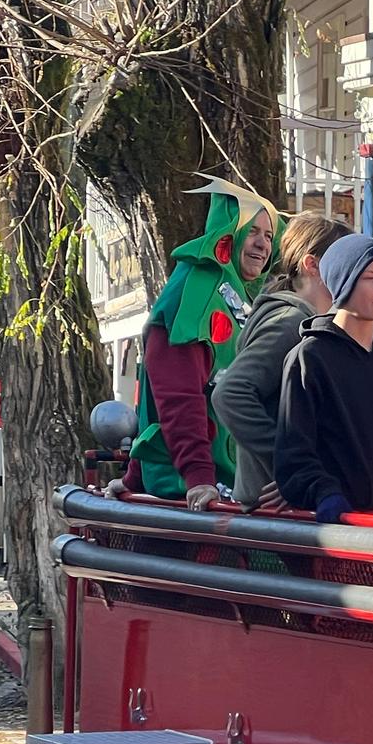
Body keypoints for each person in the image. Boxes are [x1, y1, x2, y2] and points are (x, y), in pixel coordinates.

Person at [122, 176, 281, 507]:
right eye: (251, 231)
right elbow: (176, 396)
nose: (263, 245)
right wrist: (198, 478)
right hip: (197, 495)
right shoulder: (196, 293)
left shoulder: (238, 294)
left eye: (268, 236)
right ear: (226, 234)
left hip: (222, 485)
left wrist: (133, 477)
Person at [274, 235, 373, 523]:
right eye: (370, 277)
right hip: (343, 531)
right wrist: (324, 493)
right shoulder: (309, 357)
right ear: (343, 282)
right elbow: (293, 455)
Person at [210, 211, 352, 508]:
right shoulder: (291, 322)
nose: (354, 269)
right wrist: (293, 467)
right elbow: (230, 393)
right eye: (345, 260)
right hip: (276, 509)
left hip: (279, 505)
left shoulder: (301, 319)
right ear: (312, 265)